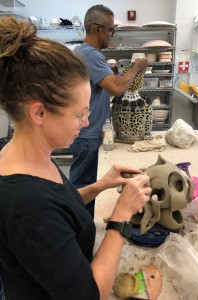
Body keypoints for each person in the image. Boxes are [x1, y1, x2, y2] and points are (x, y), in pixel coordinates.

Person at [0, 16, 151, 300]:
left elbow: (58, 208)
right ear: (40, 113)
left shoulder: (27, 153)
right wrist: (120, 216)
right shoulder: (26, 203)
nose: (85, 122)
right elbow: (90, 295)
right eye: (80, 114)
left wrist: (99, 186)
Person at [69, 4, 148, 218]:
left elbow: (106, 88)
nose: (112, 35)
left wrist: (115, 74)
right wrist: (137, 67)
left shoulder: (85, 53)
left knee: (87, 186)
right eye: (110, 29)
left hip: (88, 133)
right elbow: (115, 87)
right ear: (97, 29)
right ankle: (78, 232)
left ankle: (80, 226)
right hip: (87, 135)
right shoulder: (91, 54)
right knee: (83, 188)